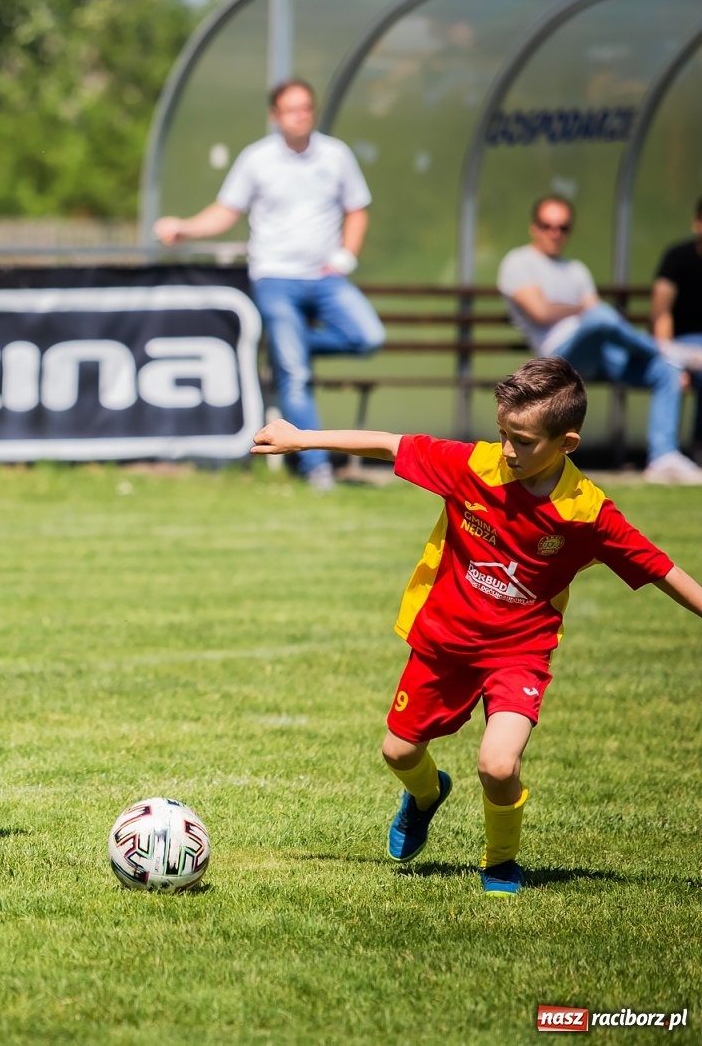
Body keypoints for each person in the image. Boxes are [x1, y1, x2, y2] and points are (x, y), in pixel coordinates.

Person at [251, 357, 702, 895]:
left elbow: (661, 569)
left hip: (519, 653)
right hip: (444, 643)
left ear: (568, 443)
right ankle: (425, 796)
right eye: (502, 434)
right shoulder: (475, 467)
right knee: (398, 752)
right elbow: (392, 445)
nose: (509, 450)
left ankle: (500, 862)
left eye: (524, 440)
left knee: (497, 763)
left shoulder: (587, 514)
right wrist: (302, 439)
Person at [155, 78, 384, 492]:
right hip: (276, 277)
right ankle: (316, 468)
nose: (301, 115)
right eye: (291, 109)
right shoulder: (256, 160)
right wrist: (183, 229)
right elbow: (226, 212)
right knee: (293, 376)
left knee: (368, 336)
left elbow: (357, 209)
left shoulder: (336, 155)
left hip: (325, 277)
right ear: (275, 116)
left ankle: (289, 345)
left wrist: (345, 255)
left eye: (306, 108)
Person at [497, 195, 702, 484]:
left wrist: (589, 312)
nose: (555, 233)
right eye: (547, 226)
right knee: (600, 316)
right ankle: (667, 350)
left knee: (665, 369)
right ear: (534, 227)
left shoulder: (576, 269)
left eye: (562, 227)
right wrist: (583, 310)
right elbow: (540, 312)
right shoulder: (518, 262)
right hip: (561, 356)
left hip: (600, 353)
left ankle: (663, 456)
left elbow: (599, 316)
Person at [651, 196, 702, 447]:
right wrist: (670, 357)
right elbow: (661, 312)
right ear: (697, 224)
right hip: (682, 343)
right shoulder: (677, 258)